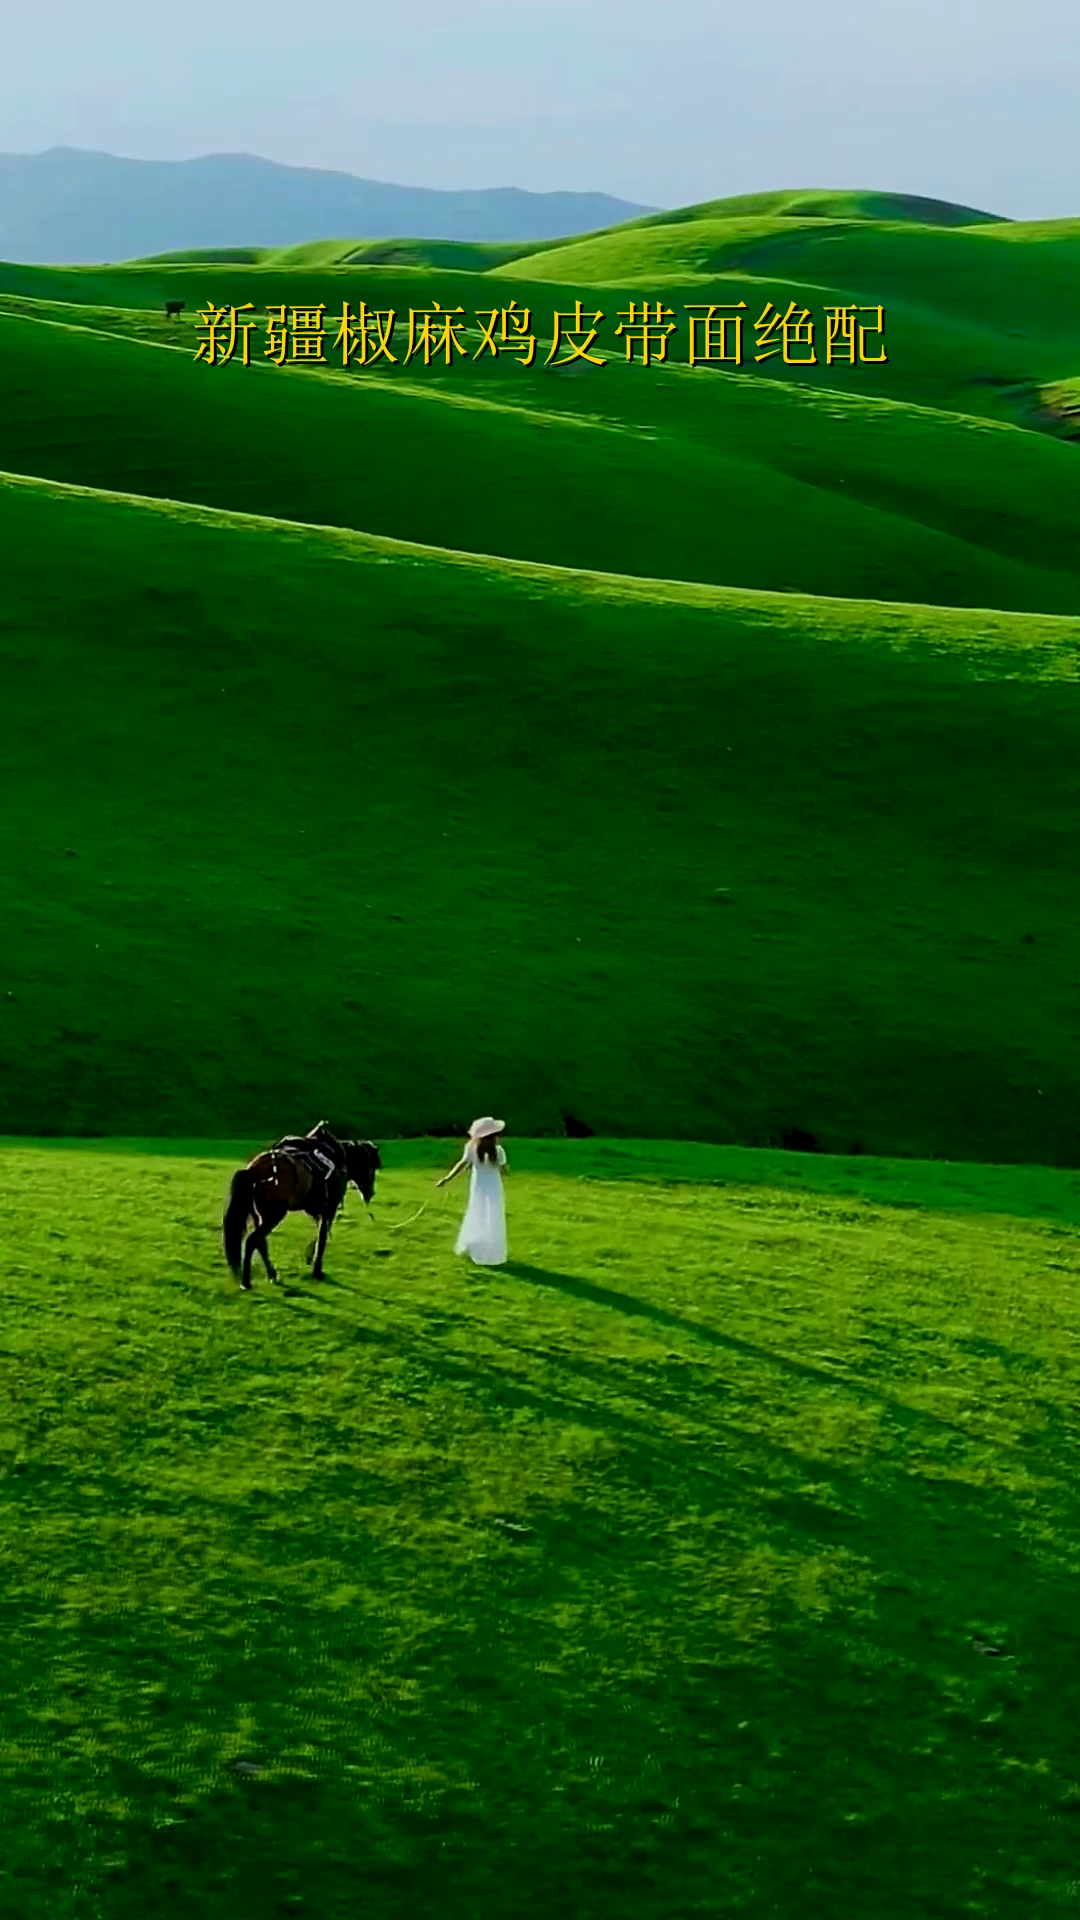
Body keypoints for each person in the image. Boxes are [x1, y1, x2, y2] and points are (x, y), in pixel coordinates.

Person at [436, 1117, 508, 1266]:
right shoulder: (498, 1151)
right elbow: (504, 1169)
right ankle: (489, 1246)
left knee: (476, 1211)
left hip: (478, 1186)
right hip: (493, 1187)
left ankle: (474, 1242)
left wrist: (447, 1178)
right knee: (492, 1215)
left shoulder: (471, 1147)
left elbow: (462, 1164)